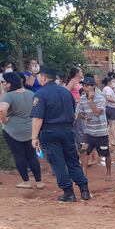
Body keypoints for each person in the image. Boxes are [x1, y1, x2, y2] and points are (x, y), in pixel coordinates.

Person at [30, 66, 90, 202]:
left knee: (58, 162)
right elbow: (73, 111)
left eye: (39, 76)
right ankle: (84, 190)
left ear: (43, 77)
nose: (38, 78)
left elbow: (38, 118)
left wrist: (34, 137)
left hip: (50, 132)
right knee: (72, 160)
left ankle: (68, 192)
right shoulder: (65, 92)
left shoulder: (40, 94)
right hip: (68, 130)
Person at [0, 72, 43, 189]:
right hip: (30, 129)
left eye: (4, 82)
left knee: (19, 156)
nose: (2, 84)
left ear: (10, 83)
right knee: (32, 156)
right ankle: (39, 182)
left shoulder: (9, 96)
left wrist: (3, 121)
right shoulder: (30, 93)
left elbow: (2, 110)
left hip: (13, 130)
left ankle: (26, 181)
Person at [77, 77, 111, 181]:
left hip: (101, 131)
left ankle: (108, 172)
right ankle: (84, 174)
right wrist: (84, 117)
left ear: (93, 87)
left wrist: (91, 101)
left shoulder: (100, 97)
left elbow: (97, 112)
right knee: (84, 151)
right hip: (89, 131)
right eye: (84, 85)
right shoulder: (82, 98)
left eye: (87, 85)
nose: (85, 87)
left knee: (106, 154)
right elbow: (80, 113)